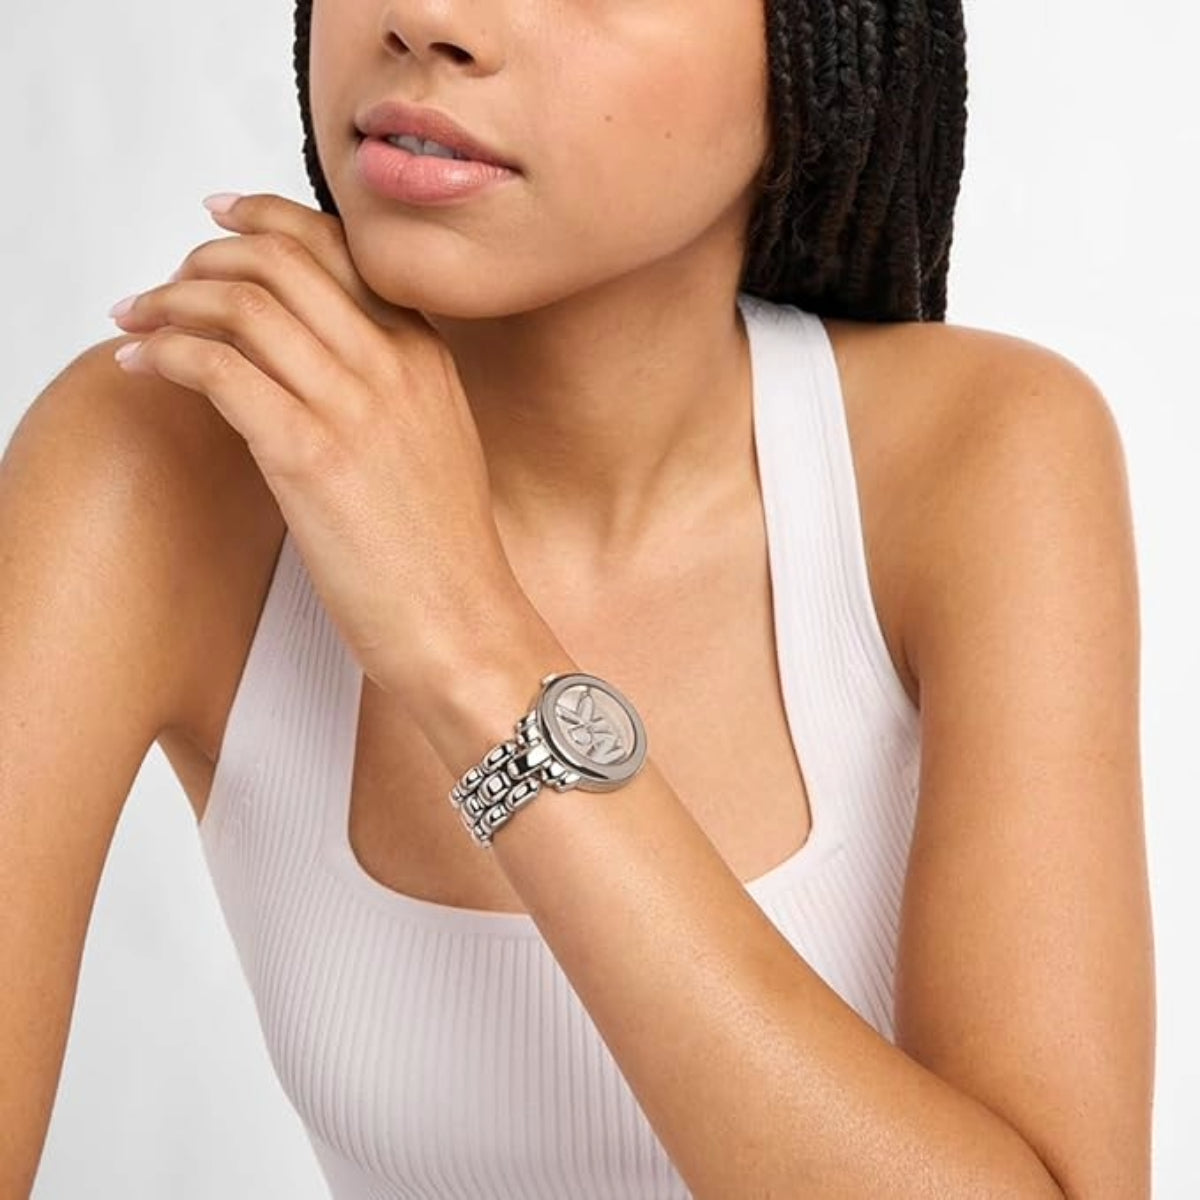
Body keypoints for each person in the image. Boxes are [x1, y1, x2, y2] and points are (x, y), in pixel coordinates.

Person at [1, 2, 1155, 1198]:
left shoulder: (977, 456)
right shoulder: (168, 444)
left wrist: (469, 648)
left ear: (818, 52)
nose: (428, 18)